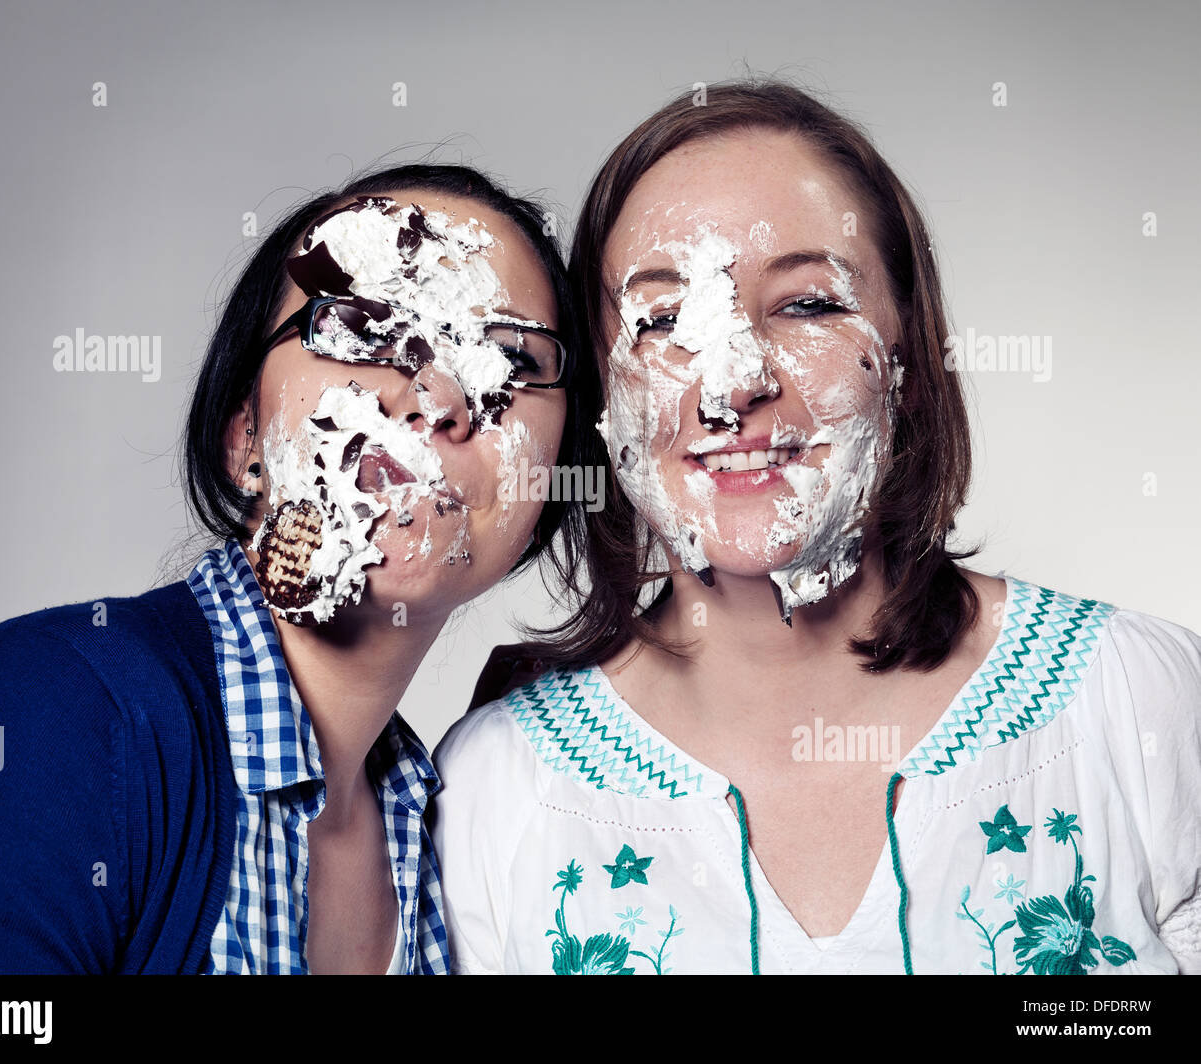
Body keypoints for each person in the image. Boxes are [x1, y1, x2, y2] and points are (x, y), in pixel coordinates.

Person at [431, 83, 1201, 975]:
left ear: (908, 348)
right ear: (603, 394)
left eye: (805, 306)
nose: (732, 387)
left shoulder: (1138, 702)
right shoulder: (495, 791)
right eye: (663, 321)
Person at [0, 163, 585, 974]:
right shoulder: (50, 715)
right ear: (244, 441)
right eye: (363, 329)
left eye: (506, 356)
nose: (439, 395)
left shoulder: (451, 826)